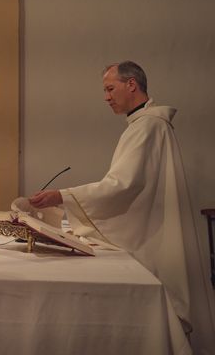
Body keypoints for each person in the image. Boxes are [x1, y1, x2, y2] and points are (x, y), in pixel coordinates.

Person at [29, 61, 215, 353]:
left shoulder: (148, 126)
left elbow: (121, 186)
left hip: (150, 236)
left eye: (110, 88)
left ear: (132, 85)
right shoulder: (145, 124)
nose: (106, 97)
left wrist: (61, 196)